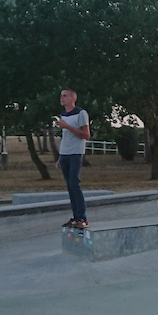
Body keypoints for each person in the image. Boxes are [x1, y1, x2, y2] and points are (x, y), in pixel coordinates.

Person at [54, 88, 92, 228]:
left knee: (75, 184)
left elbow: (86, 135)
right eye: (61, 96)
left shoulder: (81, 113)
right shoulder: (63, 114)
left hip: (76, 153)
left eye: (64, 96)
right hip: (65, 153)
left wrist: (67, 126)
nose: (61, 98)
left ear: (72, 98)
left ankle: (82, 218)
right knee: (70, 186)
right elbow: (65, 137)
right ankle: (75, 217)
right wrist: (60, 157)